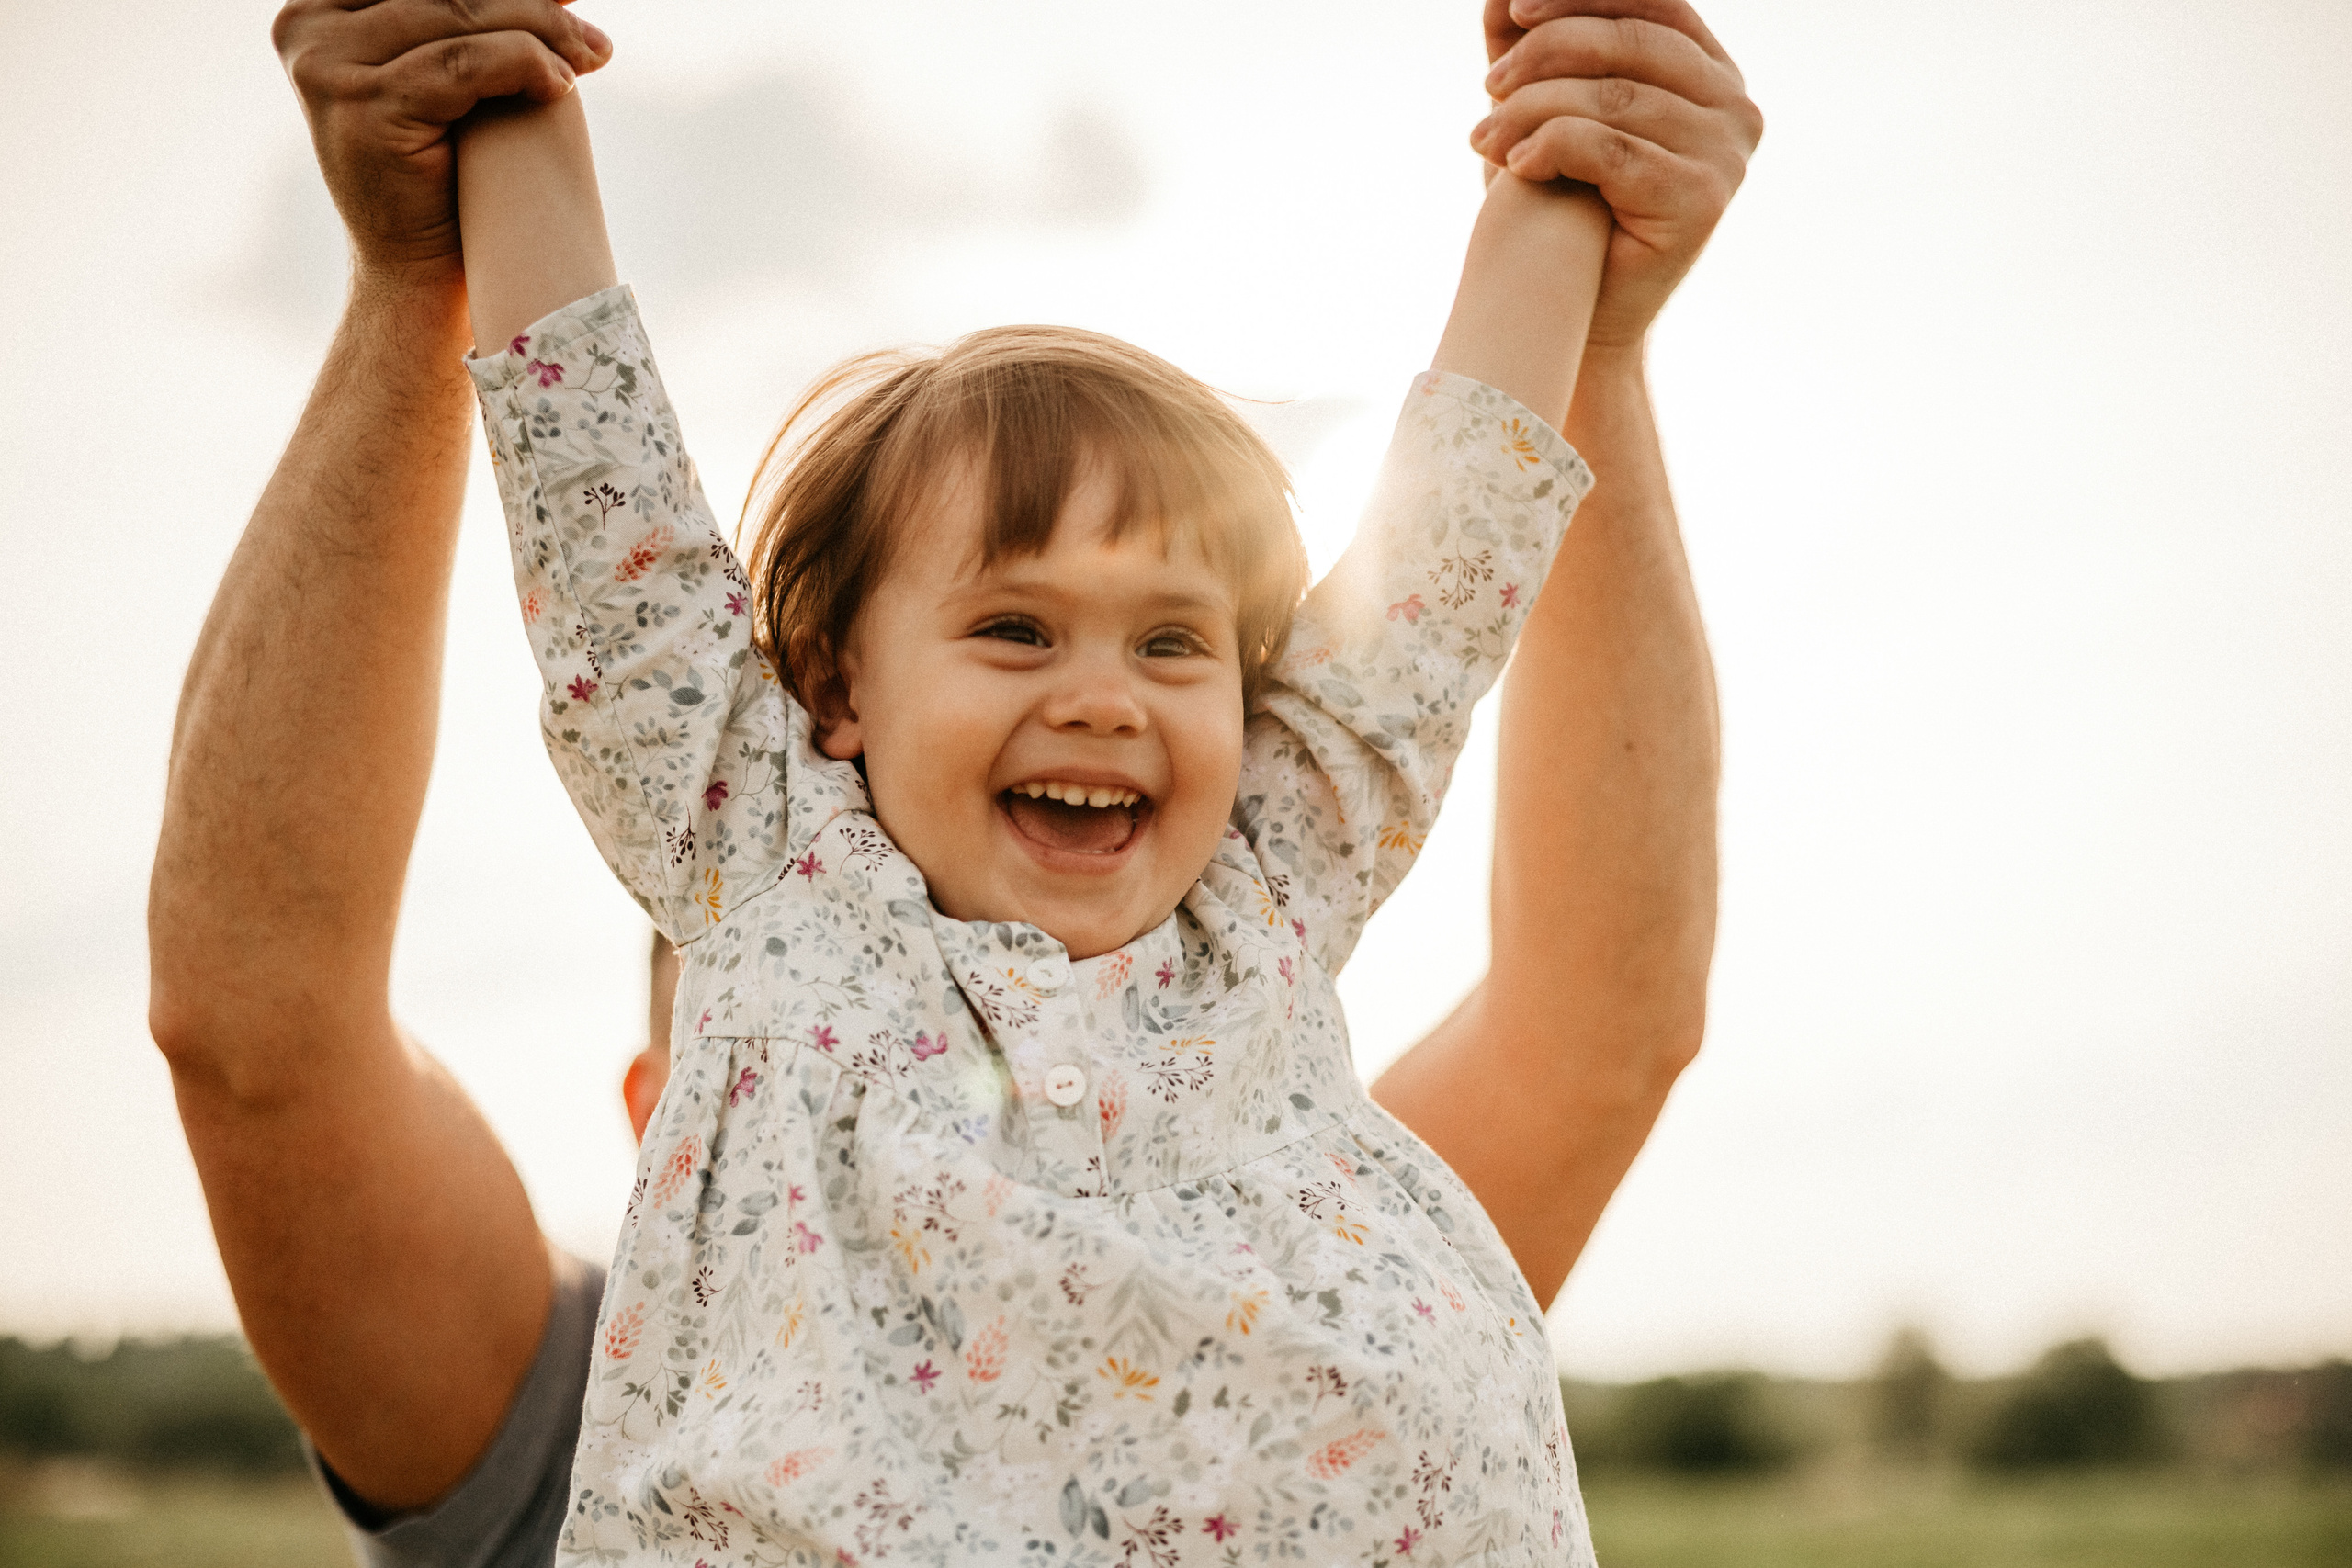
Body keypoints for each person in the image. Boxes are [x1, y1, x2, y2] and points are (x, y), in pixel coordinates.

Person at [144, 0, 1752, 1562]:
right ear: (832, 692)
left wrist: (1575, 167)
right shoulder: (774, 887)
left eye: (1176, 644)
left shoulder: (1255, 905)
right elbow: (604, 509)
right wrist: (491, 96)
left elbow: (1453, 554)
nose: (1105, 698)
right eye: (1012, 625)